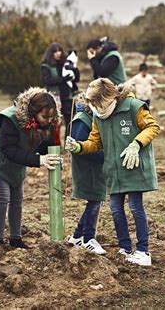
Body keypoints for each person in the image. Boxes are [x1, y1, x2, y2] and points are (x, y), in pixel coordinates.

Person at [65, 78, 160, 267]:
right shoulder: (98, 116)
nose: (97, 107)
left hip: (133, 167)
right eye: (93, 104)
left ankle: (143, 251)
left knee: (135, 207)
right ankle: (125, 249)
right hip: (113, 171)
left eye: (98, 103)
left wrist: (136, 144)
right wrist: (78, 147)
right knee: (116, 209)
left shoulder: (133, 106)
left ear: (109, 96)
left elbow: (152, 127)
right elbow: (95, 142)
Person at [0, 87, 62, 249]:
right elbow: (9, 150)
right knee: (3, 196)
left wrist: (54, 150)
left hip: (18, 158)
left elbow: (45, 144)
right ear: (33, 112)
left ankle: (15, 238)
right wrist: (39, 160)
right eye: (44, 117)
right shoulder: (10, 118)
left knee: (17, 198)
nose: (48, 120)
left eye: (51, 117)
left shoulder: (47, 121)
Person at [67, 101, 106, 255]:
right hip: (87, 168)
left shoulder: (92, 119)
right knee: (95, 199)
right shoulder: (81, 121)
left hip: (96, 168)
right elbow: (82, 147)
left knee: (95, 199)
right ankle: (88, 239)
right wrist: (107, 155)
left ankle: (77, 236)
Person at [41, 43, 80, 132]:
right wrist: (63, 79)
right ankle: (55, 145)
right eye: (55, 51)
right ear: (51, 53)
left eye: (60, 51)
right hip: (55, 97)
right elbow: (47, 81)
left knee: (70, 123)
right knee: (54, 123)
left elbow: (76, 79)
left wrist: (75, 69)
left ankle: (69, 144)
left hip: (68, 97)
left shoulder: (66, 63)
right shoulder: (46, 66)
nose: (58, 53)